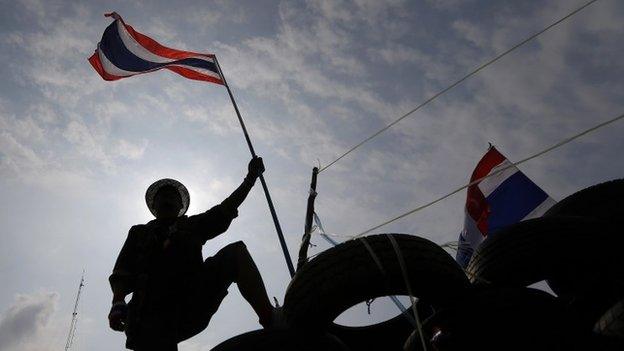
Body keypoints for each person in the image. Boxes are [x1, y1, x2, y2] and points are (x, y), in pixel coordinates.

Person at [108, 157, 279, 351]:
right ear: (154, 206)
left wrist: (250, 179)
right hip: (148, 312)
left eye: (172, 197)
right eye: (162, 197)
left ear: (180, 207)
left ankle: (270, 319)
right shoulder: (139, 233)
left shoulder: (192, 226)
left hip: (190, 299)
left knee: (236, 253)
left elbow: (226, 208)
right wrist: (118, 303)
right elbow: (122, 271)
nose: (167, 200)